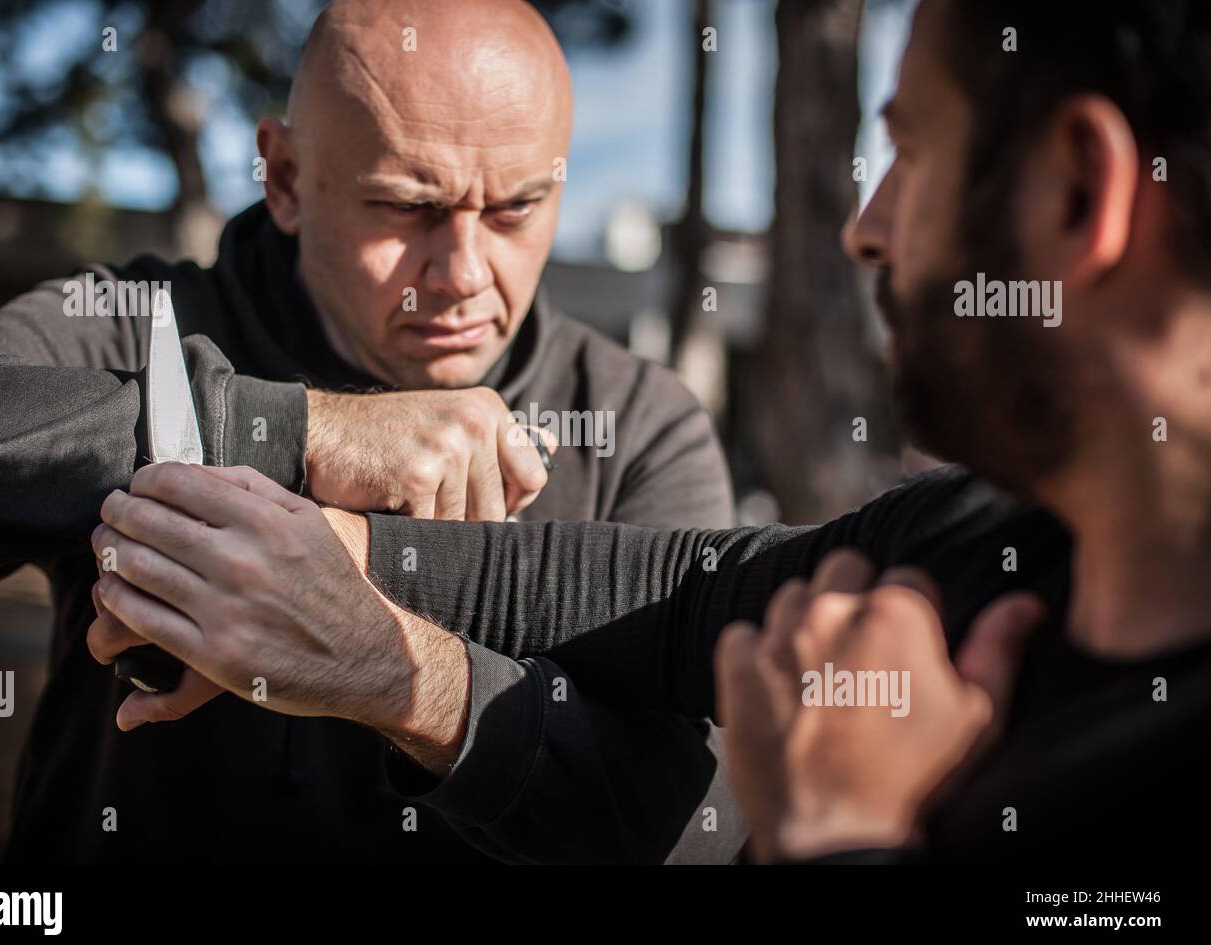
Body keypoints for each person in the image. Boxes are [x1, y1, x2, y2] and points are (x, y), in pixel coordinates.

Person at [91, 0, 1211, 863]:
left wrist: (837, 837)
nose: (865, 228)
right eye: (403, 204)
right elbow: (679, 590)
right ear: (281, 177)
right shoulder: (982, 536)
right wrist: (297, 536)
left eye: (909, 153)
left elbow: (670, 811)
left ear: (1077, 192)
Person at [0, 0, 742, 863]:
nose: (460, 274)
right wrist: (281, 431)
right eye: (406, 205)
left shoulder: (637, 423)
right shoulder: (136, 328)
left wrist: (407, 681)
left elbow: (692, 825)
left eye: (516, 209)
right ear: (283, 178)